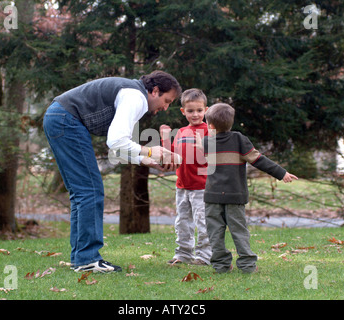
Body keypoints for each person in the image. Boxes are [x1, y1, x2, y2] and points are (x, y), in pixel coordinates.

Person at [43, 71, 182, 273]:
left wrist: (147, 161)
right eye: (166, 100)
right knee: (90, 191)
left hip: (58, 116)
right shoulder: (135, 97)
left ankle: (81, 258)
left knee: (83, 192)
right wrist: (152, 150)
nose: (166, 107)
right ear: (155, 91)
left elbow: (119, 147)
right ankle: (87, 259)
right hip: (65, 119)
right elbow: (116, 141)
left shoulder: (132, 94)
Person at [199, 103, 298, 274]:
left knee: (214, 232)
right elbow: (259, 160)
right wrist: (281, 173)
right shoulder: (238, 139)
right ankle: (247, 265)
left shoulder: (206, 142)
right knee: (239, 230)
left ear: (211, 125)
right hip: (234, 196)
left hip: (212, 196)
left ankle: (221, 265)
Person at [160, 89, 212, 266]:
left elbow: (214, 157)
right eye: (190, 111)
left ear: (206, 110)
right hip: (182, 186)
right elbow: (172, 158)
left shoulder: (210, 132)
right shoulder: (181, 132)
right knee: (182, 222)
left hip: (202, 186)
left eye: (199, 110)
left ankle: (205, 256)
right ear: (183, 112)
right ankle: (183, 254)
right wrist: (165, 139)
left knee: (203, 222)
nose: (195, 114)